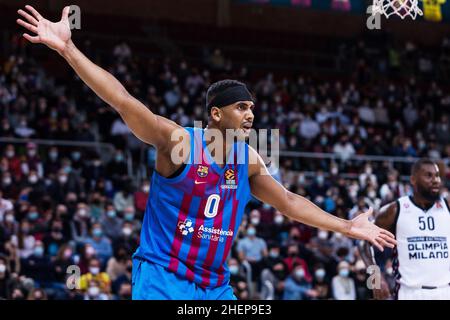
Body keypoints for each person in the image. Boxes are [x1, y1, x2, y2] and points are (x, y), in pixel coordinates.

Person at [16, 5, 396, 300]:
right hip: (163, 278)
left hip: (214, 286)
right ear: (216, 113)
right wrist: (68, 49)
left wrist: (347, 227)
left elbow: (288, 202)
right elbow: (122, 100)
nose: (251, 115)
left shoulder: (248, 159)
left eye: (251, 108)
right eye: (241, 108)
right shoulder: (180, 142)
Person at [360, 159, 450, 300]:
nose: (435, 180)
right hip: (409, 293)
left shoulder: (447, 206)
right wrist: (375, 277)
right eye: (428, 175)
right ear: (413, 180)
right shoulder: (395, 210)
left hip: (445, 291)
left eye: (437, 175)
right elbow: (364, 243)